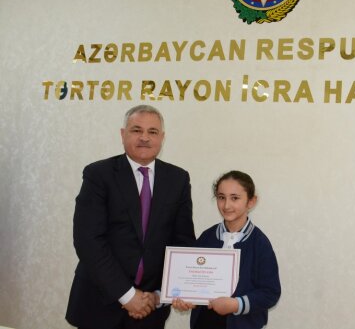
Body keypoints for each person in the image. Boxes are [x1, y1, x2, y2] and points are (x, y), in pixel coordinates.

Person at [66, 105, 196, 329]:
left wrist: (162, 294)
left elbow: (182, 242)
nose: (144, 137)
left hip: (150, 309)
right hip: (99, 305)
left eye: (152, 132)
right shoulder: (98, 174)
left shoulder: (178, 179)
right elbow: (88, 241)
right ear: (123, 134)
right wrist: (127, 296)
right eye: (136, 130)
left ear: (162, 138)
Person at [172, 170, 281, 329]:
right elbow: (191, 280)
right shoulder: (207, 237)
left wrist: (237, 304)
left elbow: (270, 293)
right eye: (221, 197)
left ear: (251, 201)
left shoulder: (259, 243)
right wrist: (185, 298)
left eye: (235, 198)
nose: (226, 205)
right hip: (204, 323)